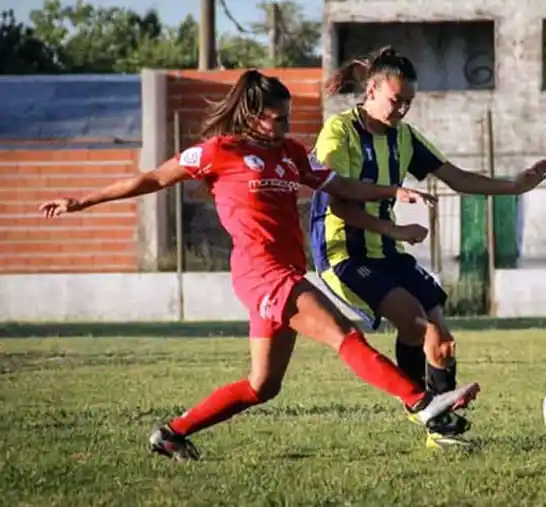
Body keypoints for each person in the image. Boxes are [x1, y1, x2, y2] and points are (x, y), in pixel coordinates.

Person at [38, 70, 480, 461]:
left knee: (262, 386)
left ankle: (172, 433)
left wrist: (391, 193)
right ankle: (423, 404)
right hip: (261, 274)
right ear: (251, 114)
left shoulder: (291, 152)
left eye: (288, 116)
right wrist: (82, 201)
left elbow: (342, 184)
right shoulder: (217, 151)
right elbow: (152, 178)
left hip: (284, 272)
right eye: (277, 117)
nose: (286, 125)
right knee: (344, 334)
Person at [308, 46, 546, 449]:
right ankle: (428, 412)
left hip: (387, 247)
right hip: (344, 254)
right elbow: (338, 200)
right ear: (371, 90)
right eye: (395, 100)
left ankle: (444, 427)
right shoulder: (339, 131)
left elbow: (456, 177)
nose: (402, 110)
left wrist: (514, 185)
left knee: (442, 339)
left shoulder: (404, 138)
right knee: (416, 324)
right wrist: (394, 226)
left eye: (408, 103)